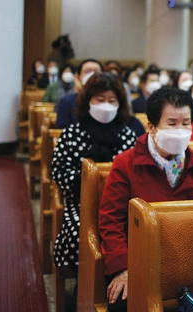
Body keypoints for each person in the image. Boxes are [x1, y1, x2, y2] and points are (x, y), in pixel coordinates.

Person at [98, 87, 193, 311]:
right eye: (172, 123)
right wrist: (123, 268)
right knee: (124, 302)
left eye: (186, 123)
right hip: (137, 257)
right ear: (152, 126)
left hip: (180, 259)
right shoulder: (125, 163)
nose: (180, 130)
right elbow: (111, 221)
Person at [52, 73, 137, 277]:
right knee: (78, 235)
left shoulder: (127, 134)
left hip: (120, 205)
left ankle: (125, 281)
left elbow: (135, 173)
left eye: (111, 101)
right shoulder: (73, 134)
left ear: (119, 104)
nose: (106, 105)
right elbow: (60, 172)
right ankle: (87, 283)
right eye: (100, 100)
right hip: (83, 202)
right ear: (88, 101)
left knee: (136, 233)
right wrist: (91, 180)